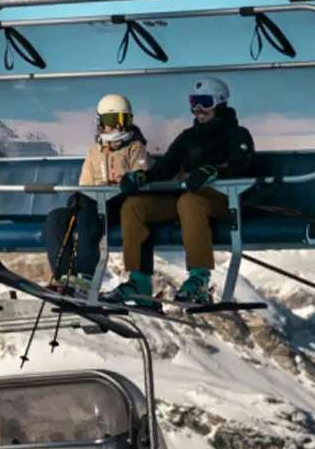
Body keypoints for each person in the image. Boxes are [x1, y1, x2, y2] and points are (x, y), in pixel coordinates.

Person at [104, 77, 255, 308]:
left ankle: (199, 279)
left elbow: (242, 165)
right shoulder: (188, 137)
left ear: (220, 103)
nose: (198, 109)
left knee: (189, 202)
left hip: (224, 200)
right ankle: (139, 281)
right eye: (194, 103)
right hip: (186, 199)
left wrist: (211, 172)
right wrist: (143, 176)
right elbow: (167, 167)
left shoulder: (238, 135)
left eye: (205, 102)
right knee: (135, 206)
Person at [43, 94, 151, 295]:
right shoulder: (94, 151)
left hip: (120, 204)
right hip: (93, 201)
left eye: (123, 120)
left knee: (88, 214)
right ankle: (63, 274)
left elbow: (142, 178)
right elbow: (85, 183)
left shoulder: (135, 149)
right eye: (112, 121)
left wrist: (128, 183)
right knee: (55, 218)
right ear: (101, 123)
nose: (117, 127)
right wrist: (78, 197)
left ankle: (85, 275)